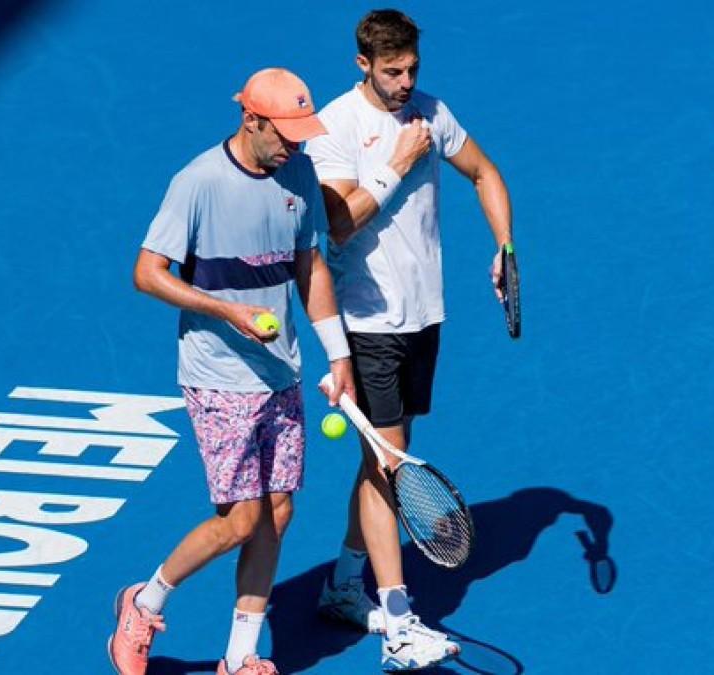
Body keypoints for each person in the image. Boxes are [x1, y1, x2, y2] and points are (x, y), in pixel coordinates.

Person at [108, 67, 356, 675]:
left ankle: (241, 657)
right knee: (241, 520)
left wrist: (338, 352)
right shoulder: (197, 183)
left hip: (281, 373)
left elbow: (309, 265)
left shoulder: (296, 169)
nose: (294, 145)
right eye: (284, 132)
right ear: (251, 119)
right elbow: (147, 273)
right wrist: (226, 311)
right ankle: (143, 601)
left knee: (277, 513)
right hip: (218, 375)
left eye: (302, 133)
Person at [305, 9, 514, 672]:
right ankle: (397, 622)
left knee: (391, 456)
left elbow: (485, 172)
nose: (405, 82)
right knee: (389, 462)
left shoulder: (431, 111)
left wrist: (505, 246)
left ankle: (342, 584)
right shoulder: (334, 127)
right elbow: (339, 224)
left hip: (424, 316)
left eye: (412, 69)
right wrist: (396, 164)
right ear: (362, 64)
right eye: (392, 71)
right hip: (367, 322)